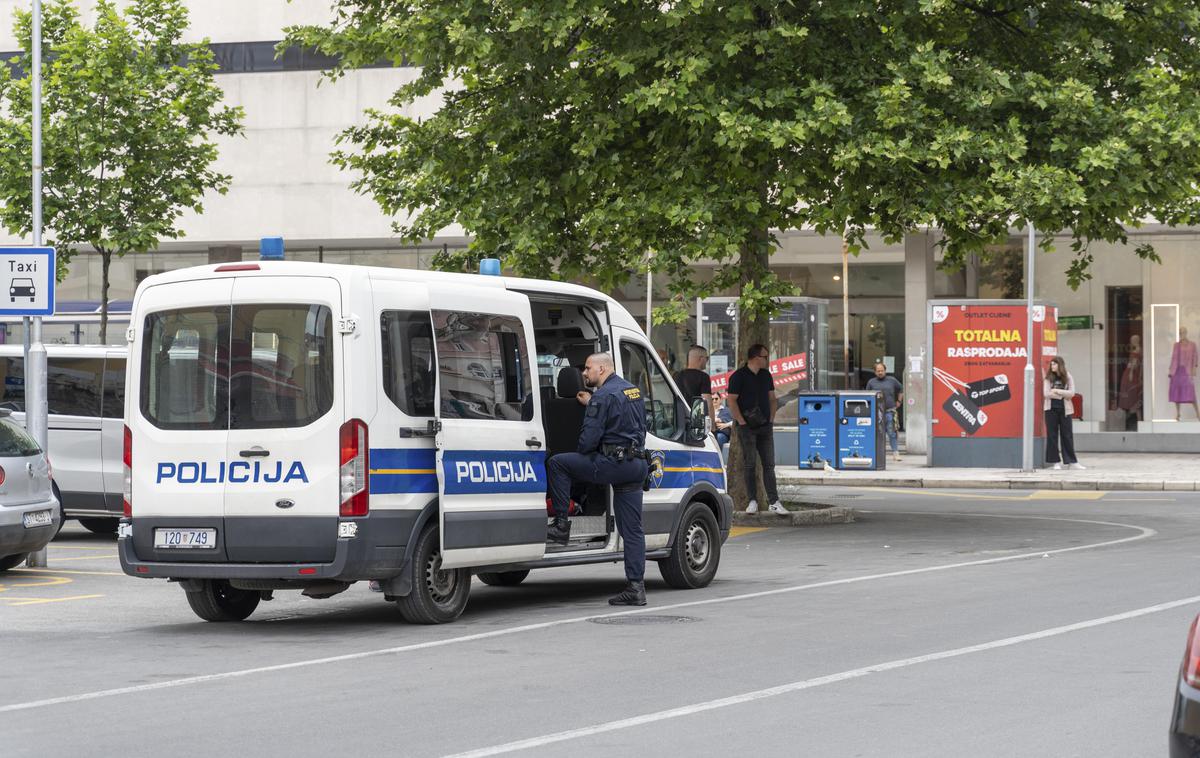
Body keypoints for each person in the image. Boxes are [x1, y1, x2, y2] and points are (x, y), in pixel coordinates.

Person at [546, 352, 650, 606]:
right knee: (632, 529)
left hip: (611, 465)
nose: (584, 373)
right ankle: (636, 588)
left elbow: (586, 444)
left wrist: (592, 407)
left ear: (602, 369)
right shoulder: (632, 391)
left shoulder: (602, 398)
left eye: (588, 368)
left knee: (558, 463)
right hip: (636, 464)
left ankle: (560, 524)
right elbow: (640, 427)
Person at [726, 344, 786, 514]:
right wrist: (741, 422)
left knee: (769, 464)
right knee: (750, 464)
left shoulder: (766, 375)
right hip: (747, 427)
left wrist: (771, 419)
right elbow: (731, 400)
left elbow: (772, 398)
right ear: (754, 358)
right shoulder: (739, 376)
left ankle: (774, 501)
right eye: (764, 357)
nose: (767, 360)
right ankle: (752, 500)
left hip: (765, 426)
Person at [1044, 356, 1084, 470]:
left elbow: (1071, 393)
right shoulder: (1048, 378)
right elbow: (1046, 393)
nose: (1052, 366)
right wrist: (1063, 394)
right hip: (1050, 409)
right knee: (1052, 435)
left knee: (1067, 435)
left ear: (1060, 365)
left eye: (1054, 364)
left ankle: (1072, 461)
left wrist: (1056, 391)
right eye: (1051, 364)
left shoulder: (1067, 376)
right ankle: (1055, 462)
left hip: (1065, 410)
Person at [865, 361, 903, 462]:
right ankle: (875, 454)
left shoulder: (892, 380)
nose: (880, 372)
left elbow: (901, 389)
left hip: (890, 411)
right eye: (878, 371)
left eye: (882, 370)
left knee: (892, 433)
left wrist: (899, 400)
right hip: (876, 412)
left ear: (885, 371)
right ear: (875, 372)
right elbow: (866, 395)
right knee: (877, 433)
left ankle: (896, 453)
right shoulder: (871, 382)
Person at [674, 345, 716, 428]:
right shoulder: (703, 377)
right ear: (701, 359)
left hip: (678, 421)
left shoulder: (677, 376)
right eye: (707, 358)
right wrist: (712, 425)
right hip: (695, 422)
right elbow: (707, 403)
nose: (707, 361)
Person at [1169, 327, 1199, 421]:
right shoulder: (1176, 345)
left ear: (1187, 332)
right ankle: (1178, 414)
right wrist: (1171, 370)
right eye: (1181, 332)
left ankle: (1198, 413)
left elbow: (1195, 356)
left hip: (1187, 371)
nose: (1183, 334)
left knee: (1191, 392)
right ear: (1179, 334)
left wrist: (1194, 367)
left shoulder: (1192, 344)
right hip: (1177, 371)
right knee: (1177, 392)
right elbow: (1173, 357)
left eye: (1184, 332)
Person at [1116, 333, 1143, 429]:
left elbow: (1135, 363)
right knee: (1133, 398)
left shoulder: (1137, 350)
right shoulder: (1139, 349)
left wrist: (1131, 372)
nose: (1131, 342)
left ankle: (1135, 421)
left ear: (1136, 340)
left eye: (1132, 340)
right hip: (1132, 375)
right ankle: (1139, 423)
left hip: (1131, 376)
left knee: (1131, 396)